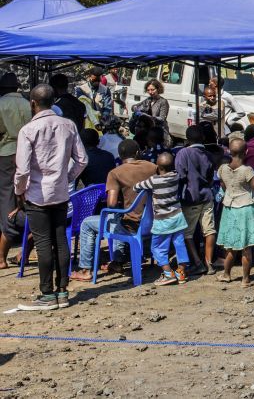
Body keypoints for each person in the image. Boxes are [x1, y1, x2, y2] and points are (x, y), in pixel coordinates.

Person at [13, 84, 87, 310]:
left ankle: (47, 294)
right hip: (61, 192)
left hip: (37, 194)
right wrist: (65, 177)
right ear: (53, 102)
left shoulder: (28, 130)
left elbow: (23, 170)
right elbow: (82, 160)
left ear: (32, 103)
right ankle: (62, 291)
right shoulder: (68, 125)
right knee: (60, 241)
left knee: (44, 243)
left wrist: (19, 192)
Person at [70, 139, 158, 282]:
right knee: (118, 217)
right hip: (154, 222)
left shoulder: (115, 173)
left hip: (131, 226)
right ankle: (118, 262)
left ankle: (86, 269)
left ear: (120, 155)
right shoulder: (153, 167)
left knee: (89, 223)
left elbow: (111, 204)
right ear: (137, 153)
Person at [217, 138, 254, 286]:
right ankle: (245, 279)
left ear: (229, 151)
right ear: (247, 152)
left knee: (230, 246)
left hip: (229, 209)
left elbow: (224, 187)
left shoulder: (222, 169)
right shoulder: (247, 170)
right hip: (246, 210)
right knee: (246, 247)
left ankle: (226, 274)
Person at [134, 152, 190, 286]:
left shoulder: (154, 180)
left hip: (162, 220)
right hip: (178, 217)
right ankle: (181, 273)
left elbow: (136, 187)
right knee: (180, 245)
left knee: (157, 247)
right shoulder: (176, 176)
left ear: (158, 168)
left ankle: (168, 273)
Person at [175, 125, 217, 275]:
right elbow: (212, 176)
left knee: (187, 233)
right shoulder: (207, 154)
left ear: (187, 139)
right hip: (207, 197)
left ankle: (198, 262)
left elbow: (180, 175)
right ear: (203, 138)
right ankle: (209, 263)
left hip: (191, 198)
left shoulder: (183, 153)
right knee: (209, 230)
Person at [0, 72, 30, 269]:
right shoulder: (29, 104)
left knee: (6, 198)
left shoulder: (1, 103)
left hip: (6, 152)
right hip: (26, 154)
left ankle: (4, 249)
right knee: (22, 196)